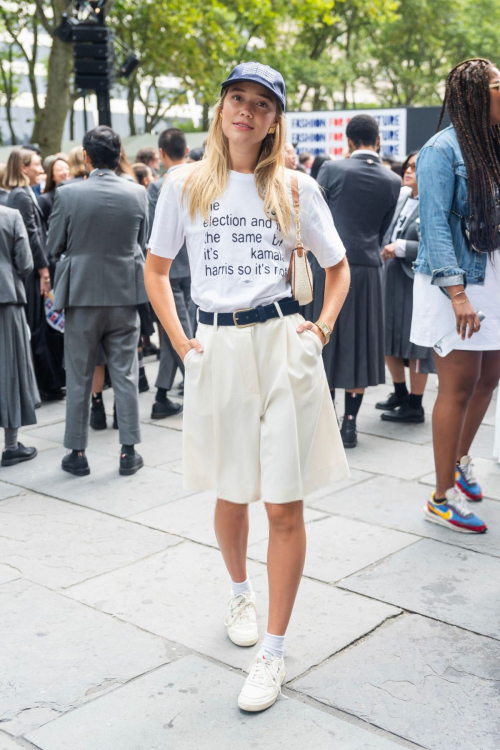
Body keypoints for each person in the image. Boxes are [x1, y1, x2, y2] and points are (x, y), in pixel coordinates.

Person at [145, 61, 350, 713]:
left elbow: (337, 269)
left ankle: (274, 649)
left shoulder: (295, 188)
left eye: (262, 105)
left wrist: (317, 331)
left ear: (273, 122)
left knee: (284, 504)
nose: (247, 111)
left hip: (283, 342)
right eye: (238, 98)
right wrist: (182, 343)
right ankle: (239, 589)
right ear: (222, 108)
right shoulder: (185, 185)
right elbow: (156, 271)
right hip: (219, 344)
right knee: (232, 489)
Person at [410, 58, 500, 534]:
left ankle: (460, 460)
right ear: (475, 95)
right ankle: (440, 496)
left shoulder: (493, 145)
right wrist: (458, 294)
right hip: (456, 284)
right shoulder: (439, 151)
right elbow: (436, 228)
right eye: (498, 85)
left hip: (491, 276)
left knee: (489, 378)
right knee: (459, 384)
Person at [47, 125, 149, 477]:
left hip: (82, 295)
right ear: (119, 154)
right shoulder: (138, 193)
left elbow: (53, 245)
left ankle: (77, 452)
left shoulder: (68, 194)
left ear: (86, 157)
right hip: (124, 292)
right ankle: (128, 451)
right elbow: (142, 241)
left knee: (78, 375)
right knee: (126, 373)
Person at [315, 115, 401, 448]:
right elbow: (383, 229)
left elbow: (316, 219)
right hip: (368, 266)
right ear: (377, 141)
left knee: (325, 338)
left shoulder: (332, 170)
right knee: (361, 344)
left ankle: (327, 418)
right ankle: (350, 424)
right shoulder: (393, 180)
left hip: (330, 265)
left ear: (349, 141)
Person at [376, 151, 435, 423]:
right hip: (391, 279)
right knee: (388, 337)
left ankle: (415, 404)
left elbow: (436, 246)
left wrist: (400, 248)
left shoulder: (434, 202)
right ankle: (400, 393)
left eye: (414, 166)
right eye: (406, 166)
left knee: (415, 345)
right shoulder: (403, 198)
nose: (407, 171)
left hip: (415, 282)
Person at [5, 148, 65, 401]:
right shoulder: (21, 196)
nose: (41, 170)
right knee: (38, 327)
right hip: (32, 274)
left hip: (35, 271)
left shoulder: (25, 194)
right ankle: (44, 386)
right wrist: (43, 272)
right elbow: (32, 236)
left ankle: (47, 384)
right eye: (37, 165)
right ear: (23, 168)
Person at [148, 128, 192, 418]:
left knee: (178, 333)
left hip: (168, 269)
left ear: (161, 154)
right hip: (195, 268)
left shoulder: (157, 186)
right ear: (186, 151)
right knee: (182, 333)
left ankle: (164, 395)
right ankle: (165, 394)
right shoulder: (198, 178)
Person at [0, 203, 39, 467]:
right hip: (6, 300)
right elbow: (25, 264)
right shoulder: (9, 215)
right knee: (9, 369)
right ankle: (11, 446)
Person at [38, 157, 71, 223]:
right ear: (52, 176)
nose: (65, 172)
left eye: (67, 168)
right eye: (60, 170)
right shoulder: (45, 199)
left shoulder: (74, 195)